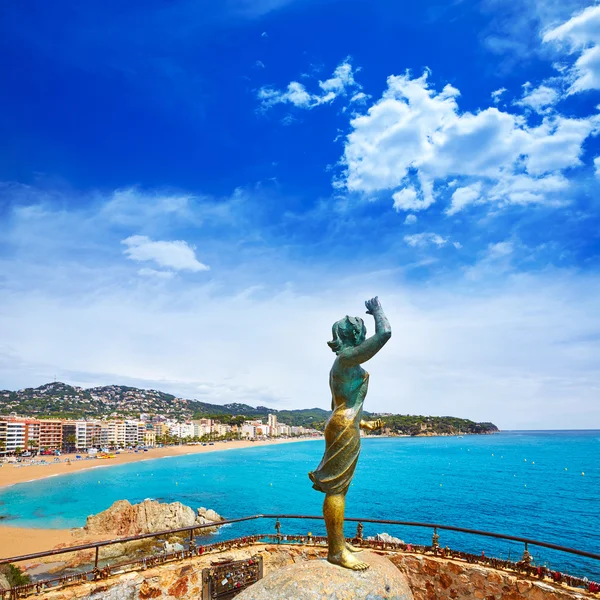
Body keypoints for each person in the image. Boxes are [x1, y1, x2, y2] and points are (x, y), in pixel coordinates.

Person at [309, 296, 391, 570]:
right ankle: (336, 552)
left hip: (344, 424)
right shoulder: (345, 359)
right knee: (336, 490)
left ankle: (339, 543)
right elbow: (385, 333)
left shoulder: (345, 364)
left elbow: (340, 404)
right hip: (343, 427)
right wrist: (377, 311)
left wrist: (363, 424)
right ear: (356, 335)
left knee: (339, 490)